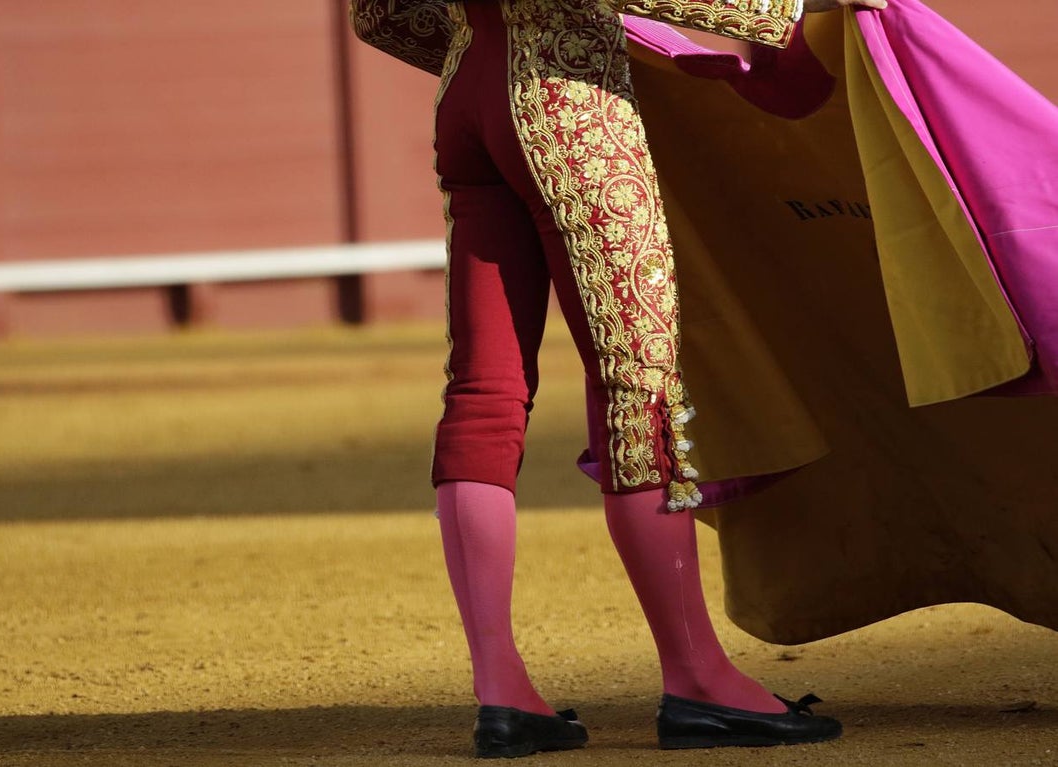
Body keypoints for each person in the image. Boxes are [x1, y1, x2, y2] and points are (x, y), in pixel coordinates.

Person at [351, 0, 886, 757]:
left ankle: (502, 692)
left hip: (466, 97)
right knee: (639, 387)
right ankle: (696, 677)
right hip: (573, 104)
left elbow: (378, 14)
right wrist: (789, 7)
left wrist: (484, 48)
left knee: (481, 393)